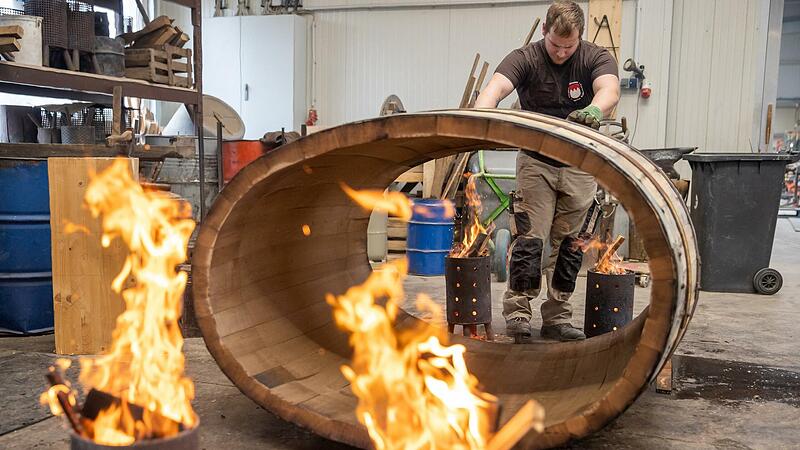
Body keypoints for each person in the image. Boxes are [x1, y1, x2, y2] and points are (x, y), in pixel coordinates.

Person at [474, 0, 620, 342]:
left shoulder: (595, 57)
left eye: (569, 46)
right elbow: (493, 90)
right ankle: (519, 314)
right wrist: (484, 114)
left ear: (580, 38)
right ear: (544, 31)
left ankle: (557, 317)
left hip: (581, 165)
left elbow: (609, 89)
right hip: (536, 164)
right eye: (555, 44)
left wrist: (596, 109)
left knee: (569, 247)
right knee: (530, 242)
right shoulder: (525, 58)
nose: (561, 52)